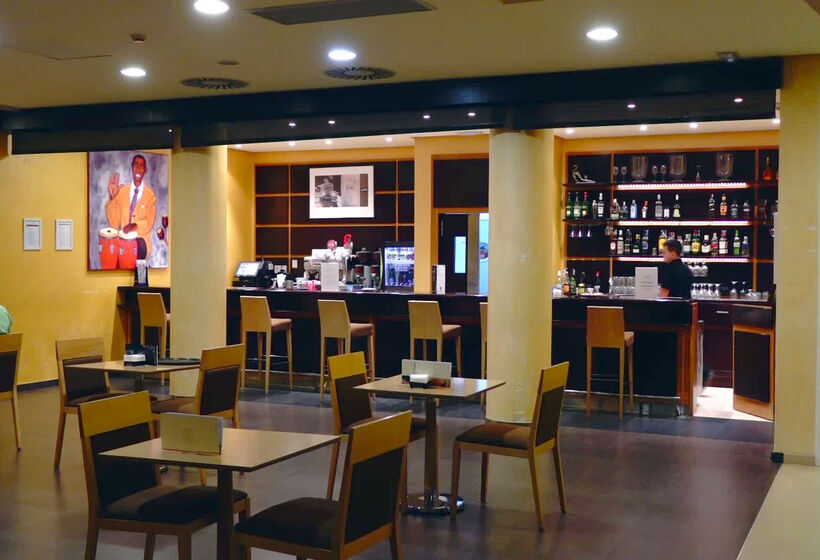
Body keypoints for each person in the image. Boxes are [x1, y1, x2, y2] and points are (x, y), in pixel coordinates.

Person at [105, 154, 157, 260]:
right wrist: (112, 198)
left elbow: (149, 223)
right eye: (135, 164)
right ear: (132, 167)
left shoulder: (150, 195)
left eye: (141, 165)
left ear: (145, 170)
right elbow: (114, 223)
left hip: (141, 244)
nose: (138, 168)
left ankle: (139, 271)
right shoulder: (122, 191)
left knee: (138, 252)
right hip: (123, 243)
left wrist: (134, 226)